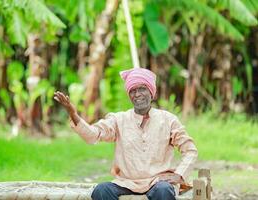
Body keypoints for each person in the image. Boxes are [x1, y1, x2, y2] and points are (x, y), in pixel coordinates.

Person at [54, 68, 198, 200]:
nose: (137, 94)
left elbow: (190, 150)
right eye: (132, 91)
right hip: (126, 182)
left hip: (157, 182)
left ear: (151, 92)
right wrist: (74, 114)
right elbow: (93, 135)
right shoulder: (118, 119)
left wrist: (179, 175)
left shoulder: (168, 120)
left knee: (164, 190)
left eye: (142, 89)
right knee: (101, 190)